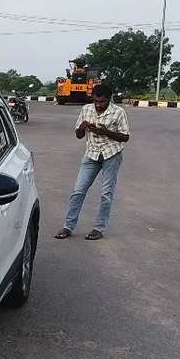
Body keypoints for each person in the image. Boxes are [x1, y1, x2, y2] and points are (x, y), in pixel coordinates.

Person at [55, 83, 130, 241]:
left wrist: (105, 132)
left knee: (106, 194)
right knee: (78, 191)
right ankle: (68, 226)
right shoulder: (86, 109)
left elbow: (125, 137)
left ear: (109, 99)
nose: (98, 105)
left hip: (111, 154)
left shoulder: (118, 112)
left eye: (102, 102)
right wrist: (82, 127)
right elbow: (78, 135)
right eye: (96, 101)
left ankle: (98, 228)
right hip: (91, 154)